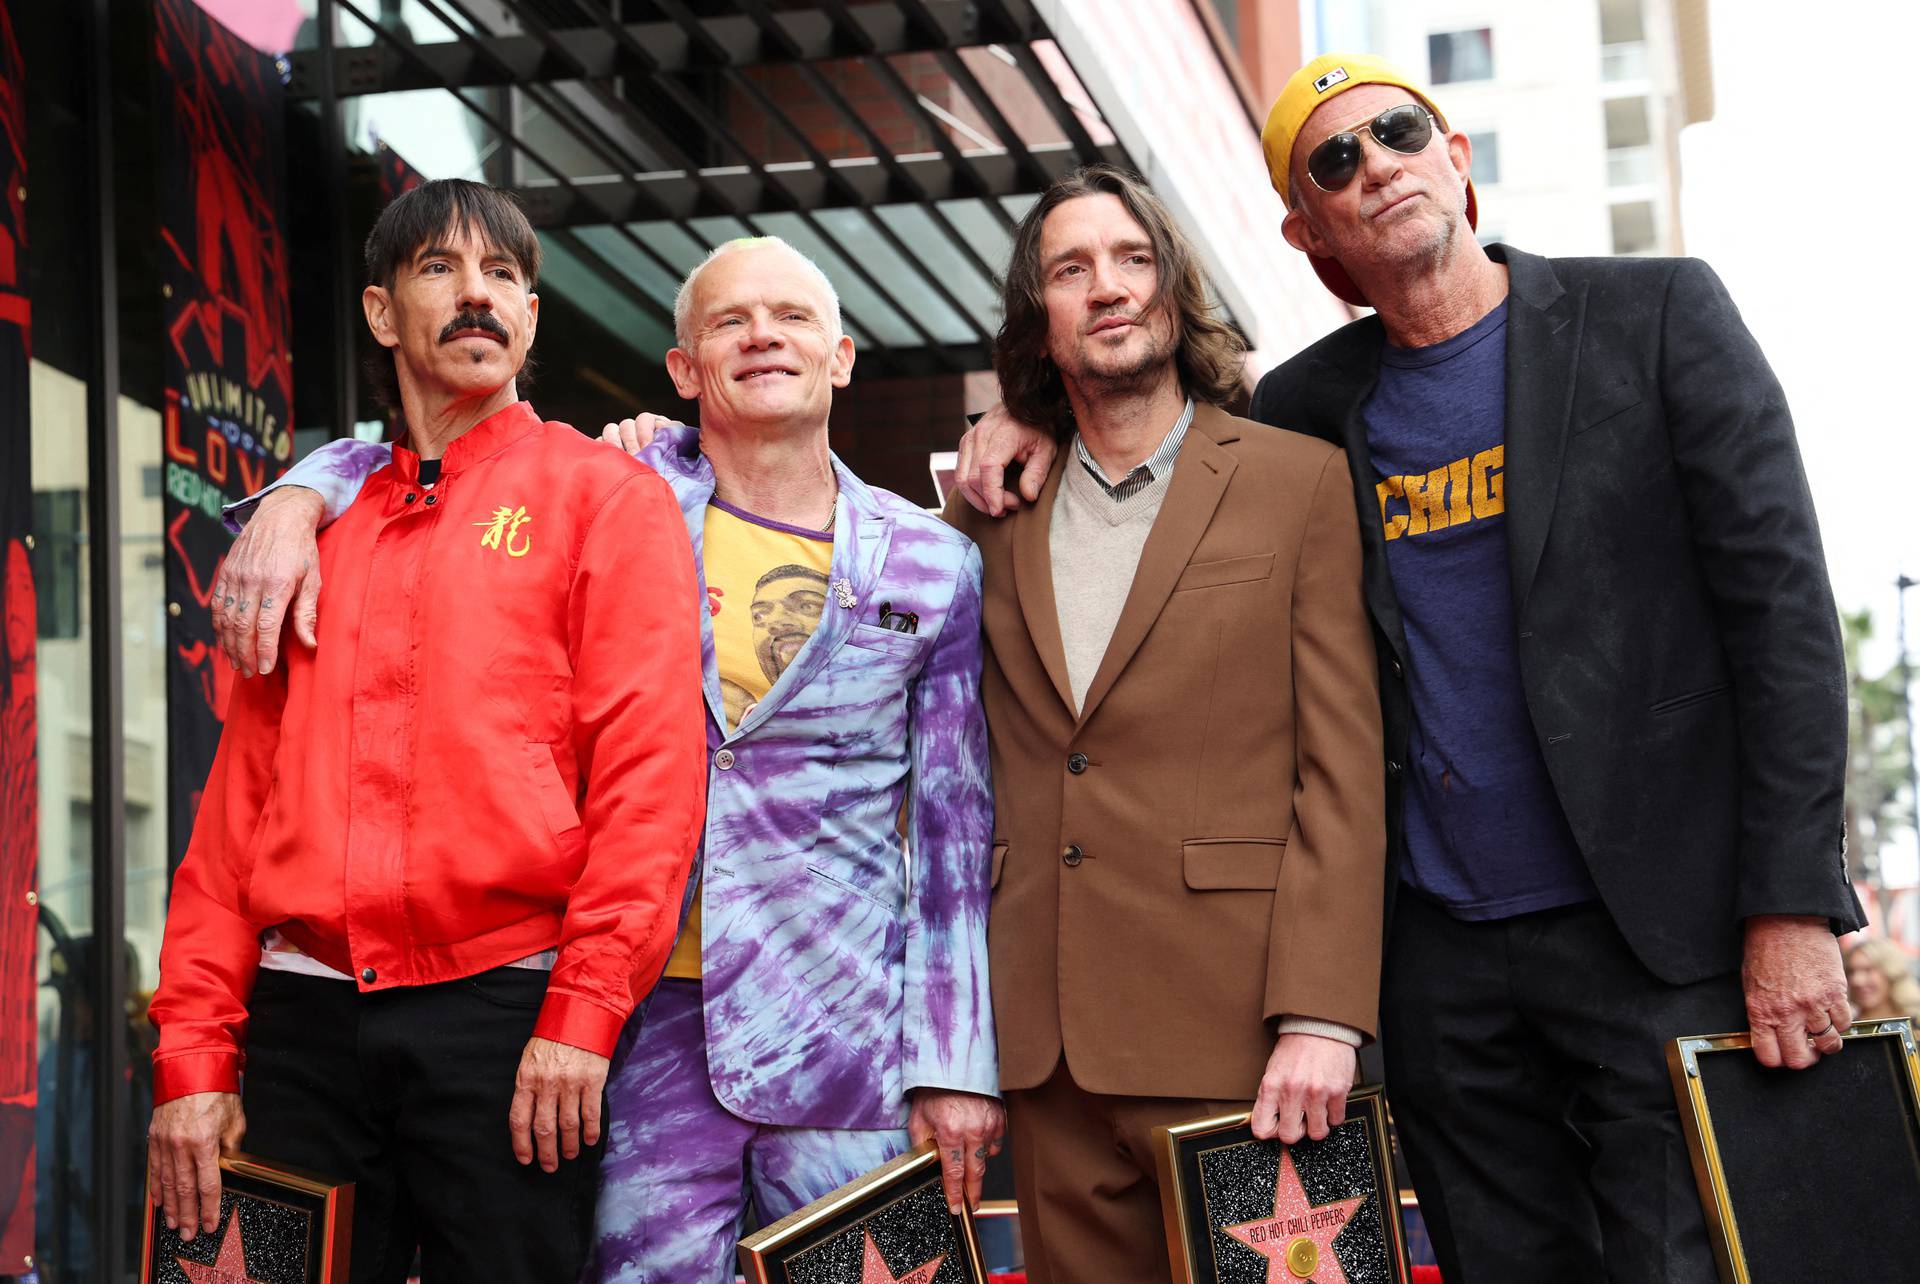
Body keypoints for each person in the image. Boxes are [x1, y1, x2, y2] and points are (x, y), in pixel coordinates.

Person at [954, 52, 1865, 1284]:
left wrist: (1793, 904)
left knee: (1686, 1261)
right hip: (1440, 966)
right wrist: (1021, 411)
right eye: (1337, 159)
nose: (1376, 164)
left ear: (1458, 159)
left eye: (1398, 131)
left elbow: (1785, 622)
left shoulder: (1657, 316)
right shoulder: (1306, 411)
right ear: (1309, 232)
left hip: (1659, 934)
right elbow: (1150, 437)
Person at [210, 235, 1002, 1284]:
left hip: (845, 1035)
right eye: (728, 321)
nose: (763, 335)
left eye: (794, 317)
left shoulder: (932, 559)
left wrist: (956, 1066)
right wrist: (298, 491)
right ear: (683, 371)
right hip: (637, 1035)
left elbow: (953, 842)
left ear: (844, 356)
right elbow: (440, 445)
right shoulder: (617, 490)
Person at [145, 178, 709, 1283]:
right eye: (440, 270)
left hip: (507, 1016)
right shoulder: (315, 530)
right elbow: (233, 820)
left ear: (533, 317)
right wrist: (193, 1057)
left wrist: (583, 1013)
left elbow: (650, 783)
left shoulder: (604, 498)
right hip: (302, 1022)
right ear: (381, 310)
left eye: (504, 275)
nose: (477, 296)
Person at [932, 163, 1384, 1282]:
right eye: (1071, 269)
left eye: (1133, 260)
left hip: (1245, 1037)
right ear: (1039, 320)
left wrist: (1323, 1015)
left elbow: (1344, 769)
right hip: (1048, 1052)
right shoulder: (986, 512)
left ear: (1175, 291)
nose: (1109, 288)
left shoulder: (1300, 483)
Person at [1846, 937, 1920, 1024]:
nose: (1856, 980)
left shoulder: (1916, 1025)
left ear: (1891, 972)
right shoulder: (1843, 1031)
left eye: (1868, 970)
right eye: (1851, 972)